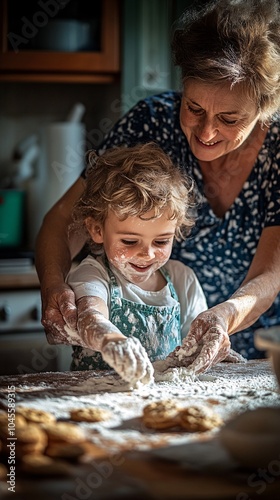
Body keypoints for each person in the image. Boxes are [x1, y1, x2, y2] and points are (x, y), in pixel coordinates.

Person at [35, 0, 280, 375]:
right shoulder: (151, 124)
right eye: (194, 107)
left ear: (263, 109)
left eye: (229, 118)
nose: (206, 131)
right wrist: (55, 288)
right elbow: (66, 220)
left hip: (259, 356)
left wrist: (223, 318)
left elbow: (271, 273)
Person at [61, 142, 208, 383]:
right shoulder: (92, 274)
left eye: (161, 241)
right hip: (97, 398)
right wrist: (110, 340)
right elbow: (91, 316)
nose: (147, 254)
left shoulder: (183, 280)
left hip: (165, 400)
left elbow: (197, 343)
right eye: (130, 241)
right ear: (97, 230)